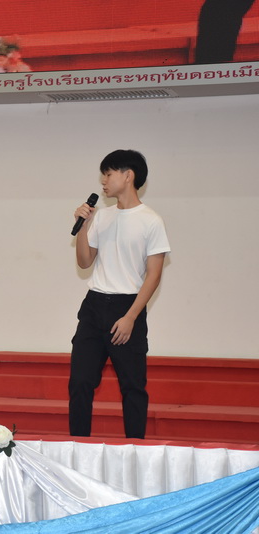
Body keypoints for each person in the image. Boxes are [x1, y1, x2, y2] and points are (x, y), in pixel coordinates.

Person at [68, 150, 170, 439]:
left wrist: (131, 317)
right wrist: (84, 227)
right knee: (80, 382)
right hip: (94, 306)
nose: (103, 180)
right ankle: (78, 446)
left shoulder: (151, 220)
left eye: (109, 173)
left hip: (127, 307)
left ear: (128, 176)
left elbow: (154, 275)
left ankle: (134, 449)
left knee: (133, 386)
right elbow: (85, 262)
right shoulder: (102, 216)